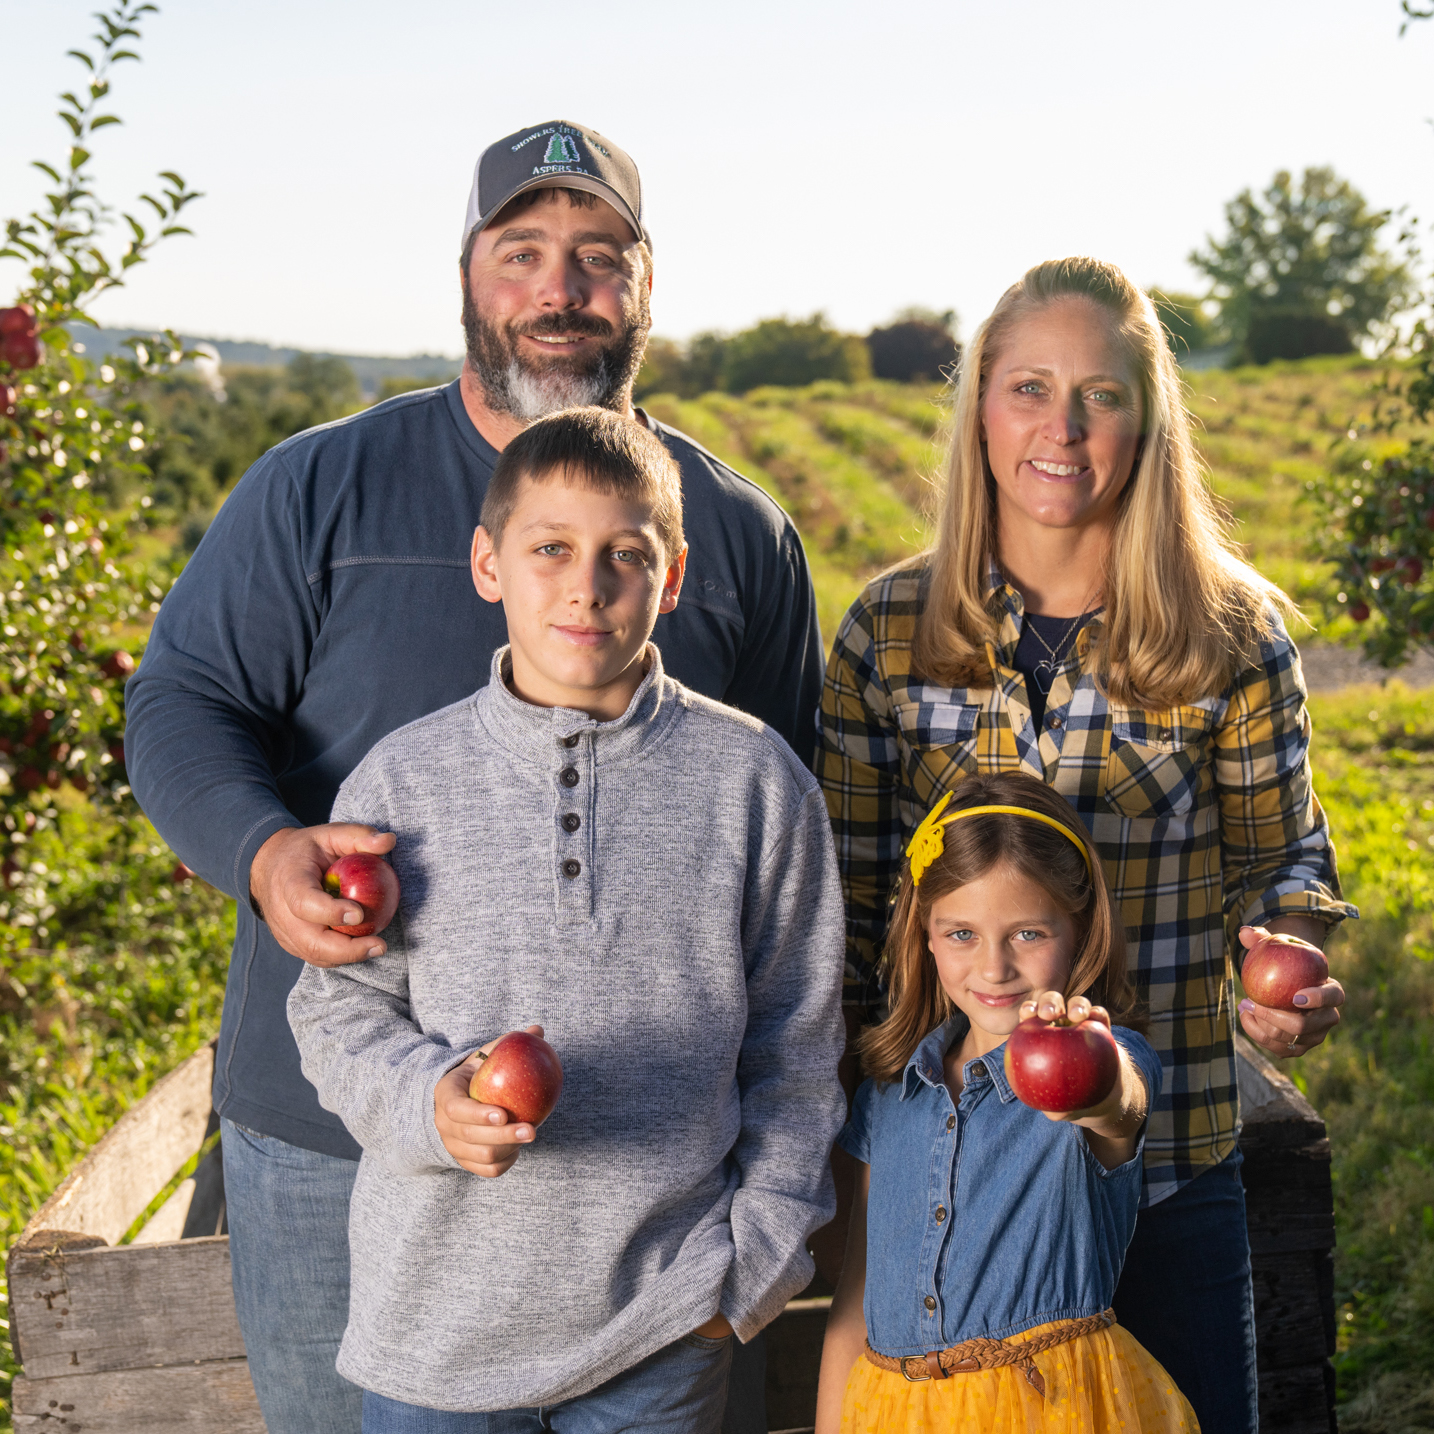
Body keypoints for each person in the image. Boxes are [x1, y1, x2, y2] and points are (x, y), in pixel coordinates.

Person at [124, 120, 824, 1434]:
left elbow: (786, 865)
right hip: (338, 1145)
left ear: (646, 286)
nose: (561, 288)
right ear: (467, 273)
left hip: (649, 1204)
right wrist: (264, 850)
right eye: (524, 253)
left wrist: (760, 1232)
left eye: (598, 255)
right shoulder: (319, 487)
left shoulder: (733, 532)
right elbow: (180, 701)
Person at [815, 256, 1356, 1434]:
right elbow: (854, 913)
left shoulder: (1227, 635)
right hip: (960, 1188)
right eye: (1028, 388)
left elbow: (1283, 864)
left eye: (1100, 395)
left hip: (1162, 1167)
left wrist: (1285, 963)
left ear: (1147, 419)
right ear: (980, 412)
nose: (1061, 427)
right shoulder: (890, 633)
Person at [287, 407, 846, 1432]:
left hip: (664, 1327)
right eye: (550, 549)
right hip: (435, 1334)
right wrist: (429, 1103)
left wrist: (750, 1269)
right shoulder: (403, 782)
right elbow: (335, 1014)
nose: (586, 585)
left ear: (671, 578)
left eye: (623, 555)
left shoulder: (756, 783)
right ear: (488, 563)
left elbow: (798, 1048)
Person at [814, 773, 1198, 1433]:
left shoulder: (1101, 1055)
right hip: (892, 1414)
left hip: (1051, 1410)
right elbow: (855, 1303)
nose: (994, 968)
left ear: (1079, 930)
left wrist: (1091, 1077)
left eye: (1027, 934)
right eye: (961, 934)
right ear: (925, 936)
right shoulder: (890, 1090)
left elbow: (1121, 1106)